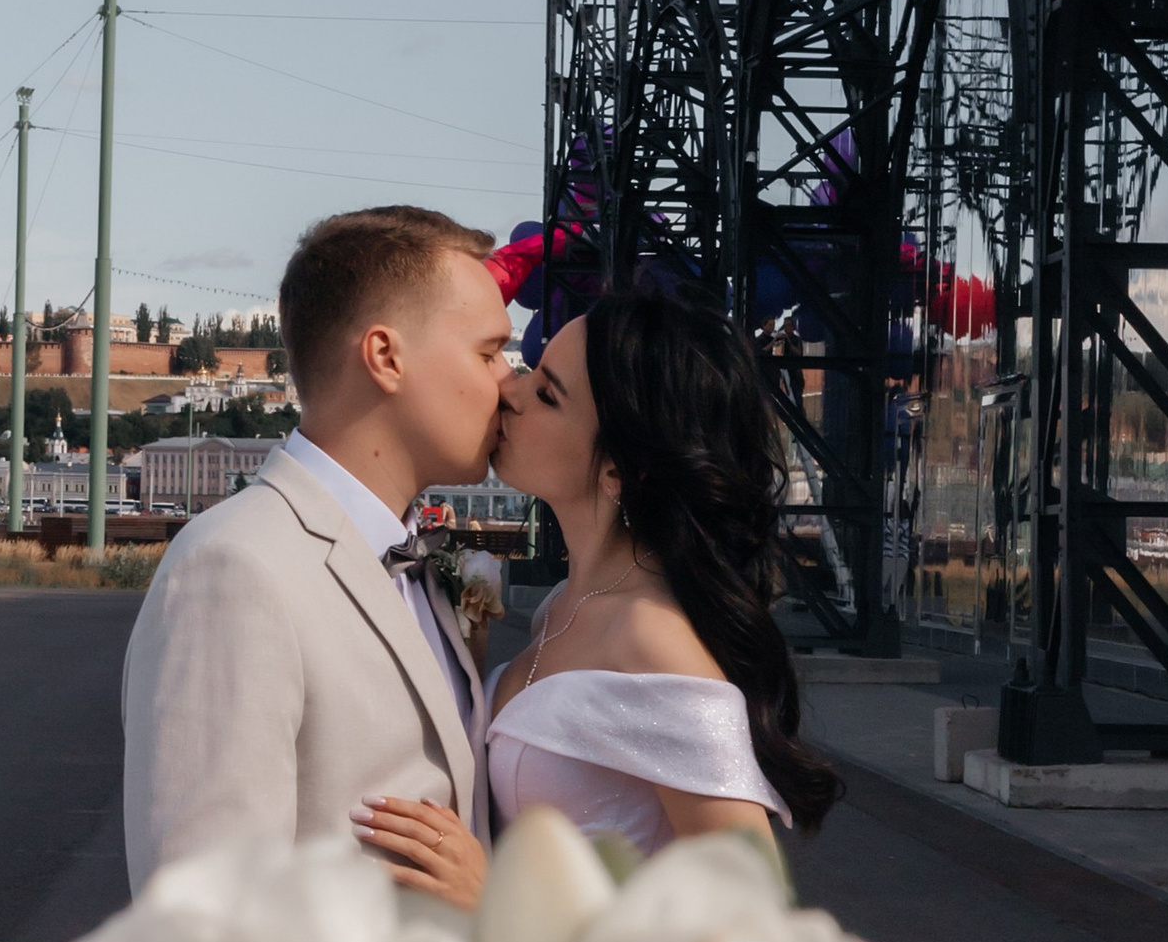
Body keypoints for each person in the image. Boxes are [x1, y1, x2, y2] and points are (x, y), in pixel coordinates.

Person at [359, 282, 841, 897]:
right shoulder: (562, 607)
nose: (508, 391)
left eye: (547, 394)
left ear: (618, 469)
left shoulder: (652, 636)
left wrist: (492, 903)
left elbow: (751, 916)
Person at [120, 206, 512, 898]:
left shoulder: (416, 564)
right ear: (386, 357)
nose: (507, 382)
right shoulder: (235, 568)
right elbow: (202, 925)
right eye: (487, 353)